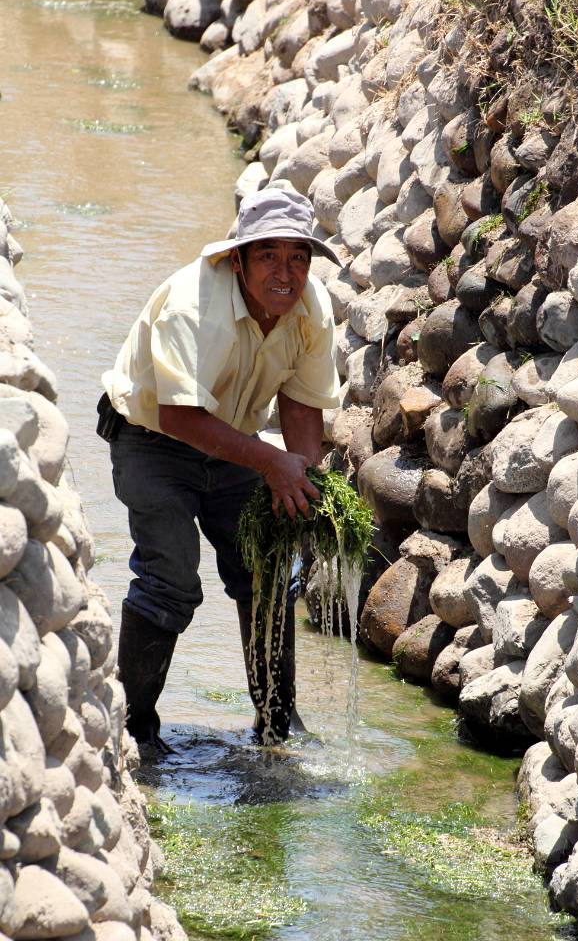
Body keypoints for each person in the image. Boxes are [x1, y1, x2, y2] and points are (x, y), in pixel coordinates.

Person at [98, 184, 341, 751]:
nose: (285, 272)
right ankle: (132, 729)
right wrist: (271, 463)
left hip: (236, 442)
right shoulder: (193, 304)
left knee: (269, 570)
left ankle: (277, 720)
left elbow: (301, 402)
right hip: (154, 438)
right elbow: (180, 416)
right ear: (237, 258)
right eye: (268, 256)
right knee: (171, 579)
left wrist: (300, 472)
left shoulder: (310, 307)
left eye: (298, 257)